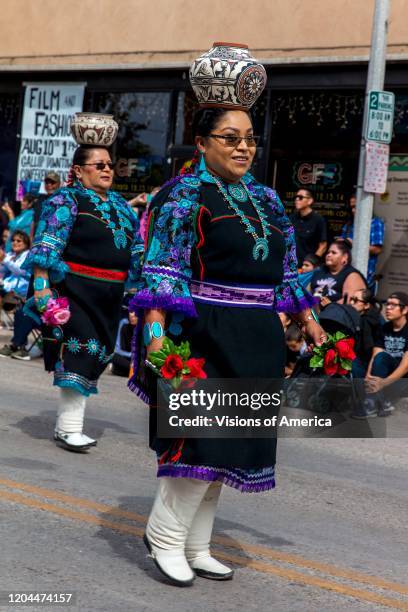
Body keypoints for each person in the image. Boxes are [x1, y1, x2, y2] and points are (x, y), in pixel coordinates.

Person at [128, 43, 326, 587]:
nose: (243, 148)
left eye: (249, 140)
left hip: (256, 335)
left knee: (230, 448)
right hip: (203, 334)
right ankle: (164, 538)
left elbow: (287, 271)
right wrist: (155, 336)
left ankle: (196, 544)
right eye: (230, 138)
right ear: (201, 142)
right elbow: (162, 271)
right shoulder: (182, 196)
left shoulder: (266, 198)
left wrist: (308, 319)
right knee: (200, 443)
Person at [23, 119, 143, 452]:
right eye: (99, 165)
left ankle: (70, 425)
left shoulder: (121, 206)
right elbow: (47, 249)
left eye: (110, 165)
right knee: (82, 347)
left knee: (100, 353)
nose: (107, 170)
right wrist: (43, 291)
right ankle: (68, 428)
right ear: (79, 170)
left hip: (110, 295)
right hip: (74, 291)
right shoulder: (65, 202)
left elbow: (135, 251)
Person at [357, 291, 408, 419]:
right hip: (383, 375)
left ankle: (372, 403)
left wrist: (384, 383)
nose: (388, 308)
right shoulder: (384, 328)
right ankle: (377, 402)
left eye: (393, 305)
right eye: (387, 304)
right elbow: (376, 354)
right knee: (358, 363)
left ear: (405, 309)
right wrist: (369, 376)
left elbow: (405, 366)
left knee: (383, 358)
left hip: (402, 379)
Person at [341, 194, 384, 288]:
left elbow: (377, 249)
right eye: (352, 207)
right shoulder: (349, 225)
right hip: (345, 268)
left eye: (356, 207)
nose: (353, 210)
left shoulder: (375, 223)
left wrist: (354, 245)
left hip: (365, 270)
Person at [310, 239, 367, 305]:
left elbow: (350, 302)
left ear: (344, 257)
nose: (329, 255)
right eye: (328, 252)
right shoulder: (320, 270)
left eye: (334, 253)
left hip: (336, 313)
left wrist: (328, 307)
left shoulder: (352, 275)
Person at [349, 287, 382, 378]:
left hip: (366, 365)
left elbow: (368, 348)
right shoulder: (359, 317)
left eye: (355, 300)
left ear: (366, 305)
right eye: (351, 299)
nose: (351, 303)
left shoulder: (368, 321)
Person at [290, 188, 327, 264]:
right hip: (290, 265)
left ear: (310, 201)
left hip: (307, 268)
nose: (297, 199)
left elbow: (323, 246)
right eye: (296, 197)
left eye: (300, 197)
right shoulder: (292, 218)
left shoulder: (318, 220)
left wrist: (312, 263)